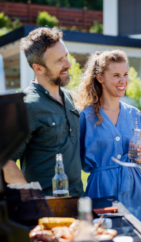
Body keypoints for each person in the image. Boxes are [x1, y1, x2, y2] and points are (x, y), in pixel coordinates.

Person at [77, 50, 141, 225]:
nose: (123, 81)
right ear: (100, 78)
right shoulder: (86, 116)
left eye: (125, 74)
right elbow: (78, 160)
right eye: (116, 75)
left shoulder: (135, 115)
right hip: (102, 190)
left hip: (135, 189)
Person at [2, 27, 84, 197]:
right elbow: (5, 161)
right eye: (59, 61)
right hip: (47, 207)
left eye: (66, 56)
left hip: (78, 200)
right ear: (38, 68)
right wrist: (32, 199)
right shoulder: (26, 105)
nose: (68, 64)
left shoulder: (68, 97)